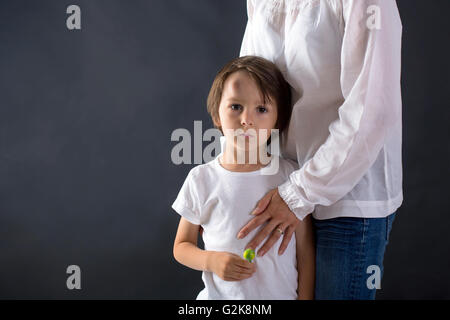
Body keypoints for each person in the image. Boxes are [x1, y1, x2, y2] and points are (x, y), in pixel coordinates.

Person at [236, 0, 403, 299]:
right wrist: (228, 181)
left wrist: (297, 194)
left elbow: (372, 111)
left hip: (344, 200)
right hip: (275, 191)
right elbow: (247, 87)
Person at [172, 56, 315, 299]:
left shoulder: (291, 177)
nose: (247, 120)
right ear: (217, 115)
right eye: (236, 107)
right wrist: (212, 260)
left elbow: (305, 251)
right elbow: (181, 247)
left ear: (276, 122)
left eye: (261, 109)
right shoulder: (201, 179)